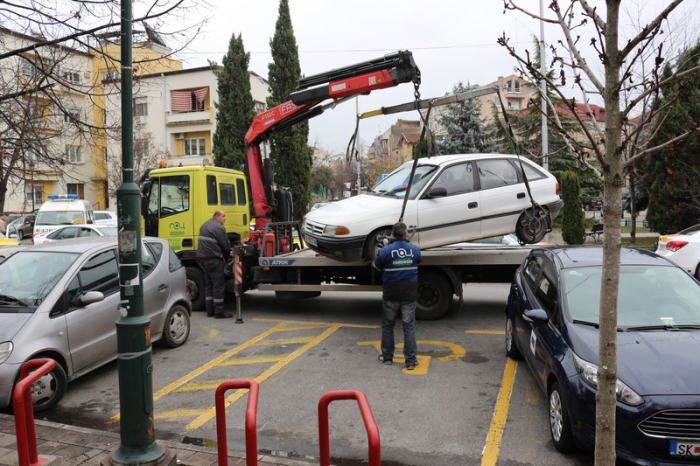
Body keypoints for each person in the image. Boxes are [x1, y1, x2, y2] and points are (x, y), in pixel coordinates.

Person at [372, 221, 422, 370]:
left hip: (391, 294)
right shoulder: (415, 250)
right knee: (409, 327)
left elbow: (376, 267)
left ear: (392, 234)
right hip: (409, 294)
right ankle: (411, 360)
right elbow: (418, 261)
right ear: (406, 234)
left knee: (388, 326)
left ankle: (387, 357)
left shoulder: (385, 251)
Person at [196, 210, 233, 319]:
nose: (225, 218)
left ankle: (210, 311)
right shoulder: (219, 227)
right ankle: (219, 312)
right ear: (216, 216)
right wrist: (227, 258)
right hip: (213, 259)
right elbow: (225, 246)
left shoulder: (205, 225)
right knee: (218, 285)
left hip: (202, 259)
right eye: (223, 216)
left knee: (209, 284)